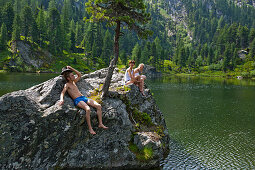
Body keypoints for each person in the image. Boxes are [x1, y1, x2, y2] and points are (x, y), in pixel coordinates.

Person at [59, 66, 108, 135]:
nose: (74, 76)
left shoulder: (74, 82)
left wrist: (71, 68)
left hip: (83, 98)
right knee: (87, 109)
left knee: (98, 106)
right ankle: (90, 129)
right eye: (72, 75)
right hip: (77, 100)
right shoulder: (67, 85)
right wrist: (61, 99)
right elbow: (62, 92)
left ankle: (100, 124)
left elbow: (79, 75)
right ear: (68, 78)